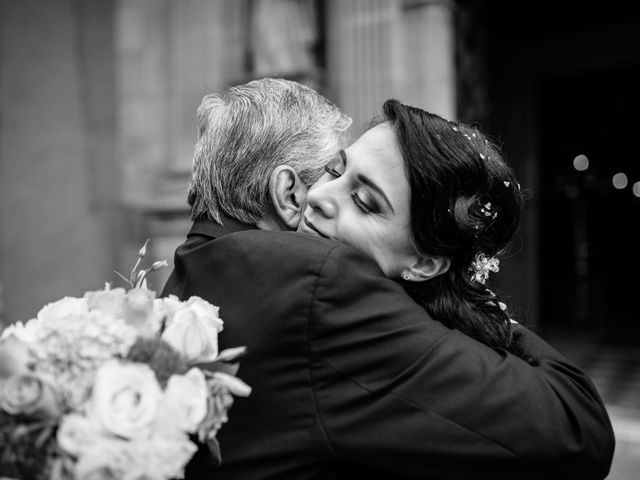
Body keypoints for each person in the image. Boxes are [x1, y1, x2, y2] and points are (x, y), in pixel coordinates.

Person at [162, 78, 614, 479]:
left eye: (364, 200)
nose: (318, 195)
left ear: (425, 263)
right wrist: (480, 306)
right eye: (335, 171)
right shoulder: (320, 282)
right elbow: (577, 431)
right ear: (285, 191)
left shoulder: (186, 276)